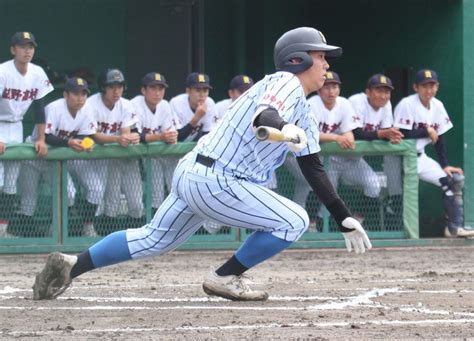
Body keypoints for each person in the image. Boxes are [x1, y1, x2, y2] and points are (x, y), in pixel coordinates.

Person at [32, 27, 371, 302]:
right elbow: (263, 117)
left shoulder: (305, 114)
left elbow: (313, 167)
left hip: (195, 173)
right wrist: (283, 128)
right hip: (218, 180)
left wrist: (342, 216)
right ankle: (225, 276)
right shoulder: (285, 82)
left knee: (153, 239)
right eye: (320, 56)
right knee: (293, 221)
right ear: (297, 60)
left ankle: (72, 266)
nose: (326, 65)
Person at [393, 68, 474, 238]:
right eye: (424, 86)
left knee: (452, 181)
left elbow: (440, 137)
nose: (429, 90)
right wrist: (426, 130)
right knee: (393, 197)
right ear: (416, 87)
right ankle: (392, 234)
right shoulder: (407, 104)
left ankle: (453, 228)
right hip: (398, 159)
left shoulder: (438, 105)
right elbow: (401, 133)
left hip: (420, 158)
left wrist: (444, 165)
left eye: (432, 85)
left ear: (437, 86)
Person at [14, 77, 99, 237]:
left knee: (69, 193)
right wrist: (69, 143)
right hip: (33, 157)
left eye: (83, 93)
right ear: (66, 95)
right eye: (75, 93)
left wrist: (86, 143)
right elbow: (45, 136)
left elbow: (87, 134)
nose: (80, 98)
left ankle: (55, 231)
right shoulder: (54, 108)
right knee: (28, 200)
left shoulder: (88, 110)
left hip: (53, 161)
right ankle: (20, 235)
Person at [284, 71, 359, 229]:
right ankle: (308, 221)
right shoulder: (312, 104)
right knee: (313, 183)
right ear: (319, 90)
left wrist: (348, 136)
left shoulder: (344, 104)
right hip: (293, 154)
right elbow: (309, 134)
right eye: (327, 87)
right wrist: (336, 138)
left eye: (335, 87)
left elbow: (348, 130)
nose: (331, 91)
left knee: (308, 186)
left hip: (314, 157)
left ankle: (304, 224)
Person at [0, 31, 53, 238]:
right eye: (22, 47)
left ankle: (2, 230)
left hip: (17, 126)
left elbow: (39, 109)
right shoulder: (3, 71)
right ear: (13, 50)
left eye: (30, 46)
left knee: (11, 183)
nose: (27, 50)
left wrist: (40, 138)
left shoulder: (37, 73)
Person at [88, 68, 144, 233]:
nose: (116, 90)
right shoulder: (91, 104)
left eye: (119, 86)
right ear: (103, 87)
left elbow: (126, 131)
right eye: (112, 86)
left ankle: (132, 237)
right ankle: (102, 233)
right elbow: (94, 136)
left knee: (136, 204)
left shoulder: (126, 105)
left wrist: (130, 137)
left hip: (123, 157)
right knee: (110, 200)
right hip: (98, 157)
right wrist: (119, 139)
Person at [348, 74, 404, 225]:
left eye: (387, 92)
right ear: (368, 92)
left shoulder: (386, 105)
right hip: (334, 157)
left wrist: (392, 136)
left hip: (354, 160)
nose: (384, 95)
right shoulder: (356, 101)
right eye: (379, 91)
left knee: (373, 184)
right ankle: (317, 225)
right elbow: (356, 133)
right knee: (325, 192)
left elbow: (385, 130)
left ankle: (356, 221)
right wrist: (383, 134)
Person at [130, 72, 178, 212]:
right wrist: (161, 137)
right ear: (143, 90)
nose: (157, 93)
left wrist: (170, 136)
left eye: (161, 88)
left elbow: (170, 131)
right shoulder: (134, 104)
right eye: (153, 88)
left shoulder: (164, 105)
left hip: (158, 155)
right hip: (132, 157)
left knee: (172, 191)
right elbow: (137, 135)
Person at [170, 72, 218, 142]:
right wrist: (196, 118)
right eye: (198, 90)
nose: (202, 95)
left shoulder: (209, 103)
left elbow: (208, 136)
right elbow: (177, 138)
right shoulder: (176, 103)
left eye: (205, 90)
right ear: (188, 91)